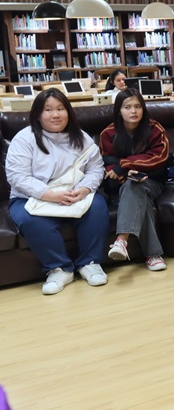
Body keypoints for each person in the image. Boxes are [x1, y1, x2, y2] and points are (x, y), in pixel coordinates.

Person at [6, 88, 110, 295]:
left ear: (68, 112)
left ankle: (89, 263)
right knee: (31, 220)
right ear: (38, 114)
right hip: (31, 196)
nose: (55, 115)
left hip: (74, 194)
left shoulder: (81, 138)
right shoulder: (24, 138)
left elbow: (96, 169)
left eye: (61, 109)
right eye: (48, 110)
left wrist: (84, 189)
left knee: (97, 206)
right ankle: (59, 269)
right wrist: (50, 195)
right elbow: (17, 177)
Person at [99, 88, 170, 271]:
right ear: (118, 111)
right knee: (136, 191)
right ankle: (153, 255)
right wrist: (122, 173)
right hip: (120, 185)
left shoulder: (155, 128)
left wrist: (125, 165)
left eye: (138, 106)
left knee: (136, 186)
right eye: (127, 107)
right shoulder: (108, 133)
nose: (133, 111)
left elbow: (159, 158)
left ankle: (122, 240)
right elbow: (107, 163)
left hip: (152, 181)